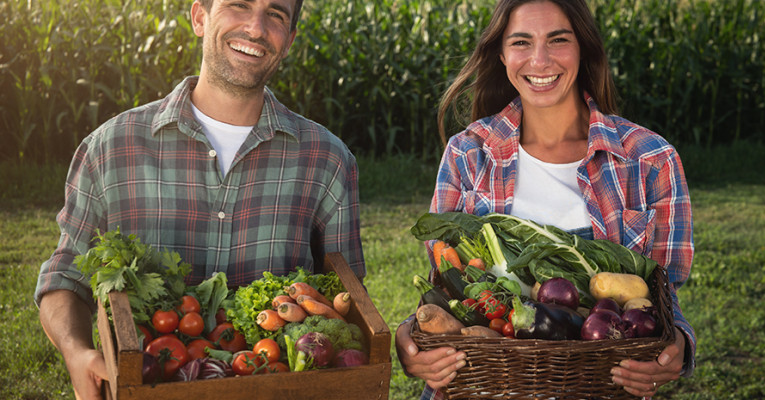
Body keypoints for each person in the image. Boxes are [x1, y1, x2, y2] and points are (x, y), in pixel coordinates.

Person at [34, 0, 364, 398]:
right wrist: (75, 352)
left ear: (289, 40)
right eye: (238, 5)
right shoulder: (110, 148)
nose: (256, 28)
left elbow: (347, 300)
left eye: (275, 15)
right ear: (199, 17)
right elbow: (66, 276)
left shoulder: (327, 160)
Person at [394, 0, 696, 398]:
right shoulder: (468, 154)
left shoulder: (650, 159)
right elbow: (448, 286)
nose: (540, 59)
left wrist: (680, 345)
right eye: (521, 42)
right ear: (501, 54)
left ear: (582, 47)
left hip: (599, 387)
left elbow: (664, 295)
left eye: (558, 39)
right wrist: (409, 338)